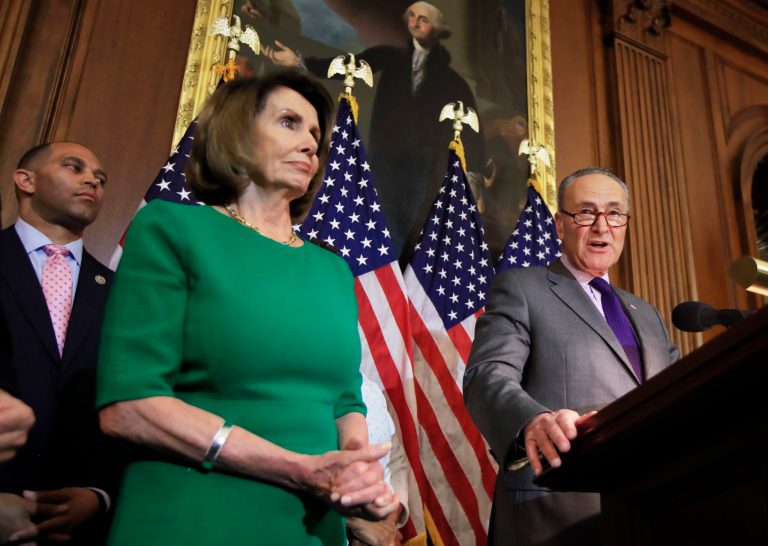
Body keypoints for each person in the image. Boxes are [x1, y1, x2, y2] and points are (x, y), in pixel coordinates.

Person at [96, 70, 399, 545]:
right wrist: (297, 469)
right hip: (195, 514)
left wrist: (358, 472)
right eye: (289, 123)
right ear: (236, 132)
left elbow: (344, 398)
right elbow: (129, 406)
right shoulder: (173, 228)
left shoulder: (331, 269)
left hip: (310, 526)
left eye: (316, 135)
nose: (310, 146)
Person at [463, 167, 679, 546]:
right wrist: (532, 421)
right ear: (560, 226)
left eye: (614, 213)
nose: (601, 226)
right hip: (555, 514)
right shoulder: (523, 287)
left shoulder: (647, 314)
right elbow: (487, 375)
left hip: (647, 512)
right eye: (585, 212)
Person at [265, 1, 486, 260]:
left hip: (426, 167)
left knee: (413, 230)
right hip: (385, 159)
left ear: (437, 29)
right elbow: (350, 64)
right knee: (379, 222)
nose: (414, 22)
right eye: (412, 16)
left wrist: (472, 177)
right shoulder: (389, 56)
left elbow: (471, 129)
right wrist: (301, 62)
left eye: (423, 19)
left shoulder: (452, 81)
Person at [0, 142, 118, 545]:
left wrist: (99, 495)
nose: (92, 180)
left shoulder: (122, 293)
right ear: (25, 180)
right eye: (74, 167)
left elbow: (130, 402)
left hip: (76, 525)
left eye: (100, 178)